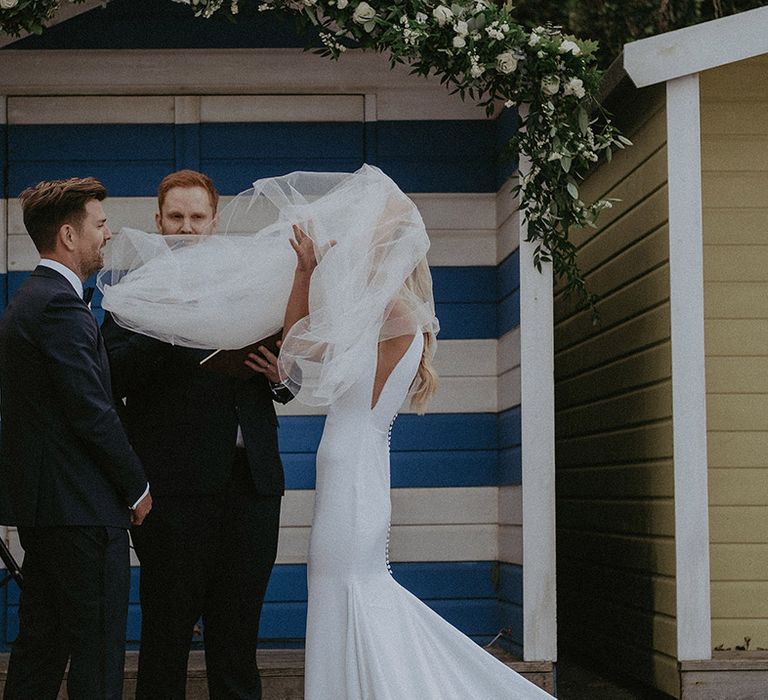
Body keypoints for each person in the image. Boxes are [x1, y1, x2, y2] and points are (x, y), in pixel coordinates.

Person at [275, 191, 554, 697]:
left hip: (355, 479)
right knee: (340, 594)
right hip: (352, 472)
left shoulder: (394, 312)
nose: (363, 241)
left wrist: (310, 270)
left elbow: (291, 343)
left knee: (350, 593)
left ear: (395, 245)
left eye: (373, 233)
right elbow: (295, 345)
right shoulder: (381, 311)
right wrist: (310, 271)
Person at [101, 169, 291, 700]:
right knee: (166, 641)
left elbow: (286, 373)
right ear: (158, 222)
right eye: (177, 218)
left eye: (198, 218)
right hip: (174, 494)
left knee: (237, 645)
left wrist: (282, 377)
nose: (187, 228)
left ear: (215, 222)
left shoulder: (246, 280)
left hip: (252, 487)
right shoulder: (136, 292)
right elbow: (110, 374)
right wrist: (178, 319)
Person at [0, 177, 152, 700]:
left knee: (40, 651)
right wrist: (136, 486)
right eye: (100, 224)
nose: (108, 235)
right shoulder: (61, 308)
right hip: (84, 515)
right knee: (98, 662)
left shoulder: (29, 300)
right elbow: (92, 411)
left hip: (51, 514)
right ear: (68, 235)